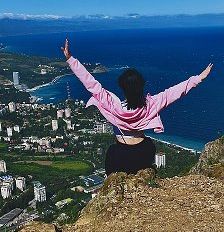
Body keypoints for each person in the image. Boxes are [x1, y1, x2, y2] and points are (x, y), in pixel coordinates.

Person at [61, 39, 213, 176]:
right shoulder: (150, 105)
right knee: (149, 146)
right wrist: (198, 78)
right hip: (143, 153)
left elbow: (90, 83)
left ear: (122, 87)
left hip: (120, 155)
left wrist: (70, 59)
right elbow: (174, 92)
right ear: (141, 86)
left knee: (111, 153)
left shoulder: (113, 106)